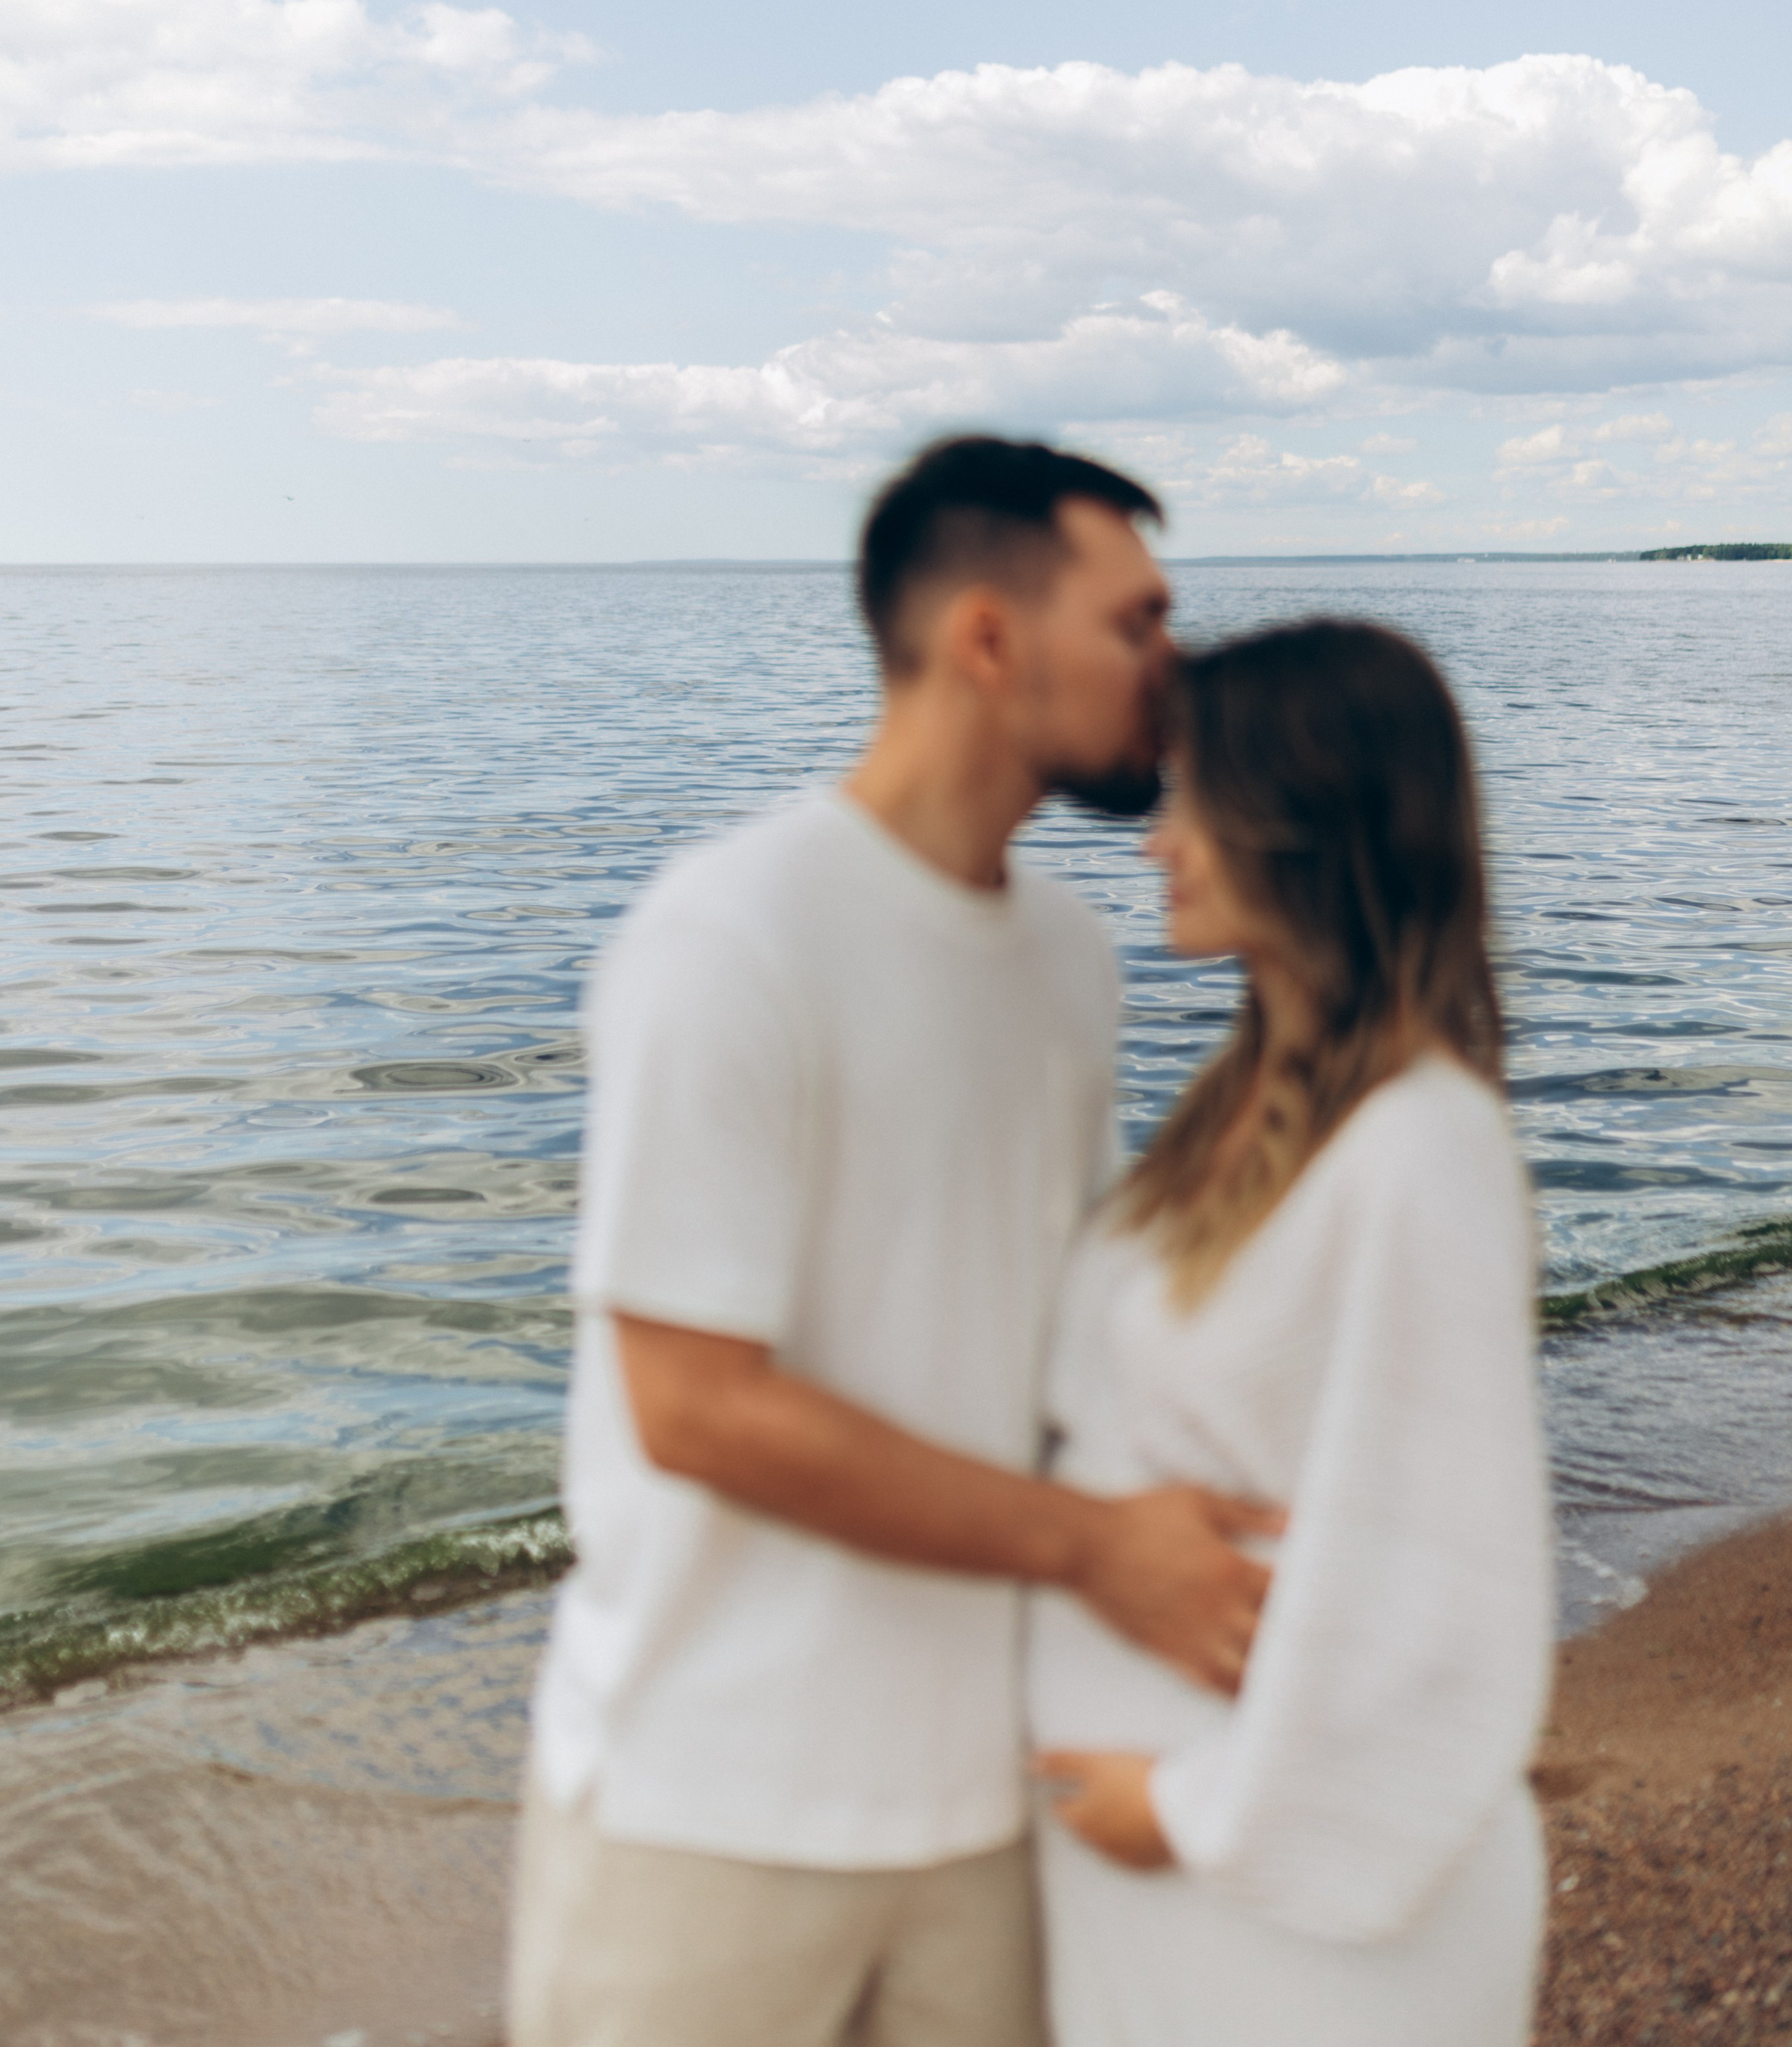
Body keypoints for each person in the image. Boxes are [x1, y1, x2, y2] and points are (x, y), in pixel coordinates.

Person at [511, 435, 1278, 2047]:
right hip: (702, 1810)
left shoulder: (1070, 962)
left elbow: (1044, 1344)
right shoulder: (729, 940)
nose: (1173, 666)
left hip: (983, 1805)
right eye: (1134, 623)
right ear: (987, 640)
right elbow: (697, 1407)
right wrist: (1094, 1548)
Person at [1029, 619, 1552, 2047]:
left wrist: (1192, 1812)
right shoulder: (1238, 1110)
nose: (1156, 842)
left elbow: (1438, 1577)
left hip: (1282, 1899)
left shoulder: (1415, 1148)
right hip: (1166, 1885)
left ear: (1300, 820)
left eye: (1193, 800)